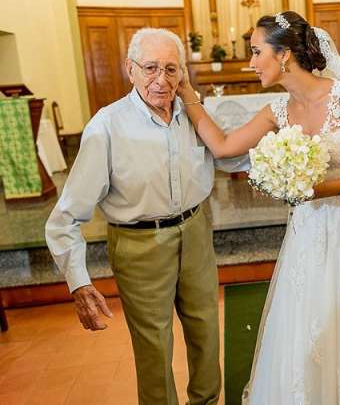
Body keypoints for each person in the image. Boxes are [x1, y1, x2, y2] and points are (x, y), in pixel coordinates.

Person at [177, 11, 340, 404]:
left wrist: (319, 190)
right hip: (308, 236)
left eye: (256, 52)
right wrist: (186, 94)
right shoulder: (277, 111)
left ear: (284, 54)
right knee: (307, 322)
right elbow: (222, 147)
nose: (250, 63)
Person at [45, 28, 248, 405]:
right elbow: (66, 215)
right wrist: (78, 281)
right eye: (151, 67)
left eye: (172, 69)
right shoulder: (106, 126)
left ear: (183, 74)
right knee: (154, 345)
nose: (161, 79)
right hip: (138, 243)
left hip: (196, 231)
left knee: (206, 329)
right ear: (130, 69)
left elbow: (231, 156)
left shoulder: (193, 113)